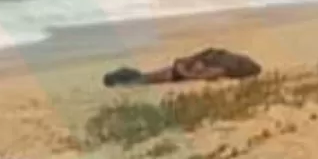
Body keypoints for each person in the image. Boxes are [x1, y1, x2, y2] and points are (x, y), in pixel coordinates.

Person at [103, 48, 262, 87]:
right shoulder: (226, 65)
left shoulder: (224, 58)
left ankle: (124, 77)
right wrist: (184, 68)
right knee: (146, 79)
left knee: (146, 78)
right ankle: (124, 77)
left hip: (180, 70)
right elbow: (201, 74)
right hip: (180, 71)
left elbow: (204, 59)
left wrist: (184, 66)